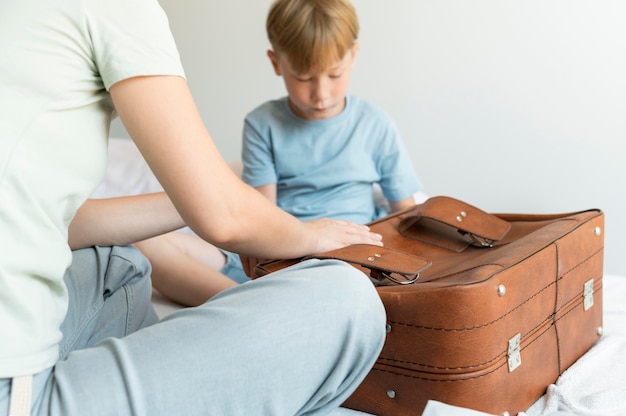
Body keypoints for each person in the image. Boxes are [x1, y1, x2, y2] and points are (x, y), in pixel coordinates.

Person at [0, 1, 386, 415]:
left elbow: (63, 223)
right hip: (16, 386)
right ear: (278, 64)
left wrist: (197, 194)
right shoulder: (114, 10)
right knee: (347, 298)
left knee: (118, 261)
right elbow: (225, 216)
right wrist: (310, 235)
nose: (321, 91)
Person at [140, 0, 424, 307]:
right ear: (276, 63)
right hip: (280, 252)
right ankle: (250, 305)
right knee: (146, 246)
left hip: (350, 258)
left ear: (353, 56)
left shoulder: (375, 124)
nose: (321, 94)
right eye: (304, 78)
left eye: (334, 74)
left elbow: (404, 216)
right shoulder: (263, 124)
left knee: (344, 284)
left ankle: (258, 306)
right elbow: (262, 216)